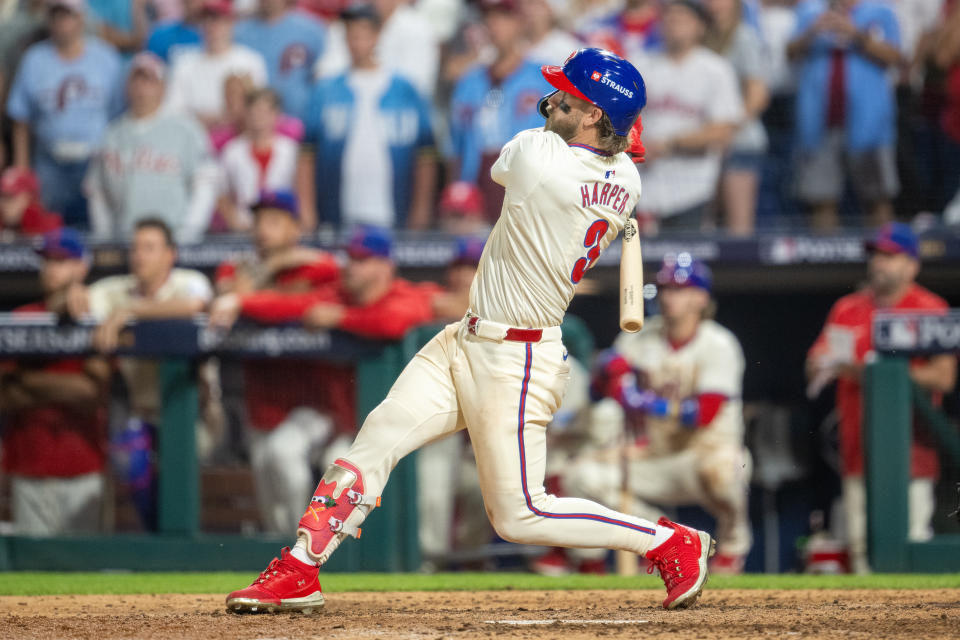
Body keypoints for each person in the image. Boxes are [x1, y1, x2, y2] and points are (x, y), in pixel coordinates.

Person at [222, 48, 714, 615]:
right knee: (377, 438)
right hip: (464, 339)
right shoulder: (626, 180)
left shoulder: (537, 156)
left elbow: (516, 155)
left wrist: (601, 130)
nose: (550, 99)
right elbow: (606, 153)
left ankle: (670, 543)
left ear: (591, 118)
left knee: (520, 515)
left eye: (568, 97)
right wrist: (614, 133)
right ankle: (300, 567)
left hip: (519, 361)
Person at [208, 222, 442, 533]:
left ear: (385, 266)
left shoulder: (404, 294)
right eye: (350, 258)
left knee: (429, 496)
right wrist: (238, 300)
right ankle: (298, 552)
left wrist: (342, 319)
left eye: (362, 259)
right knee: (291, 451)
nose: (351, 266)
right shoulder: (336, 295)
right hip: (343, 419)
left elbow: (396, 321)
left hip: (411, 425)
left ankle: (409, 565)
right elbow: (286, 304)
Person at [562, 255, 752, 574]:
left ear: (701, 298)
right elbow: (597, 394)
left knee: (727, 471)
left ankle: (732, 547)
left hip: (705, 455)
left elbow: (703, 414)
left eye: (679, 288)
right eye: (664, 288)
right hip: (656, 455)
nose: (667, 296)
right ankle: (662, 539)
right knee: (578, 476)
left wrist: (639, 400)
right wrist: (604, 374)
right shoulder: (640, 336)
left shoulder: (719, 344)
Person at [806, 222, 956, 573]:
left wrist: (870, 372)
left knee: (912, 540)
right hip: (858, 450)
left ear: (912, 265)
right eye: (876, 255)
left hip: (912, 450)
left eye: (890, 256)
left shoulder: (930, 308)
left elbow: (944, 377)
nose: (880, 263)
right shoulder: (848, 308)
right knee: (861, 549)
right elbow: (816, 364)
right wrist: (823, 363)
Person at [211, 190, 342, 534]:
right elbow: (227, 289)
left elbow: (315, 293)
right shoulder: (239, 266)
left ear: (294, 229)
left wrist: (252, 296)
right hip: (264, 400)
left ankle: (305, 553)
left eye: (273, 221)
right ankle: (284, 563)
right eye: (258, 221)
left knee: (286, 459)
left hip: (313, 400)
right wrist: (269, 270)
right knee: (269, 499)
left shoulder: (317, 264)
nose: (262, 229)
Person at [0, 229, 110, 535]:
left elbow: (92, 392)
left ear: (81, 267)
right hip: (29, 463)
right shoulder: (24, 317)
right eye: (47, 260)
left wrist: (26, 380)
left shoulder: (94, 317)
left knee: (85, 572)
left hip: (83, 465)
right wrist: (66, 385)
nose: (51, 268)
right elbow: (5, 396)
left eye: (61, 261)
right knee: (33, 572)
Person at [298, 4, 436, 230]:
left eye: (362, 35)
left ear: (377, 36)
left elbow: (425, 155)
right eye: (351, 35)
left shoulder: (405, 90)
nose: (356, 42)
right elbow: (307, 154)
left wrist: (421, 210)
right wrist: (307, 209)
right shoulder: (326, 91)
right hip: (336, 213)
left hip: (395, 212)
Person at [5, 0, 123, 227]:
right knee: (46, 230)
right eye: (56, 15)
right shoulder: (34, 58)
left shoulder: (106, 57)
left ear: (81, 19)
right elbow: (21, 117)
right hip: (50, 162)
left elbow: (118, 114)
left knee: (97, 230)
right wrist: (22, 168)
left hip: (94, 160)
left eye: (67, 15)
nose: (62, 22)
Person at [786, 0, 902, 230]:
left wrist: (855, 34)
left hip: (868, 122)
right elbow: (790, 53)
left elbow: (895, 57)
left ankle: (887, 258)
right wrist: (812, 31)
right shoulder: (810, 10)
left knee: (877, 197)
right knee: (821, 198)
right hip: (818, 120)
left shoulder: (880, 10)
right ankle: (825, 262)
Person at [632, 0, 743, 233]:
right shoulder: (640, 63)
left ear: (700, 26)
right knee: (635, 260)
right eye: (669, 18)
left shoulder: (715, 68)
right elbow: (616, 119)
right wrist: (636, 146)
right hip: (640, 182)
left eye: (682, 18)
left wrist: (668, 144)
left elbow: (724, 129)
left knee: (686, 258)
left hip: (692, 185)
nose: (674, 24)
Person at [86, 52, 219, 242]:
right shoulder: (111, 134)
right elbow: (97, 193)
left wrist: (188, 234)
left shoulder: (186, 129)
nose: (141, 88)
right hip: (126, 242)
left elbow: (206, 184)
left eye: (149, 81)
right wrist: (105, 237)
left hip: (172, 241)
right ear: (127, 86)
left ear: (163, 87)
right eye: (136, 80)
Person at [448, 0, 549, 224]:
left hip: (530, 197)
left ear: (521, 23)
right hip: (475, 197)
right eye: (490, 18)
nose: (495, 25)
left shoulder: (544, 79)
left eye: (504, 17)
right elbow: (455, 150)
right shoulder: (468, 82)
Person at [705, 0, 770, 235]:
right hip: (707, 141)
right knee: (707, 223)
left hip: (741, 140)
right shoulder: (704, 36)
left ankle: (743, 274)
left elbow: (758, 96)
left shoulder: (744, 37)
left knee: (738, 226)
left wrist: (727, 130)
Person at [164, 0, 268, 128]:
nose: (210, 25)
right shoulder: (184, 63)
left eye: (217, 18)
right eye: (205, 19)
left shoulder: (251, 61)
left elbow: (258, 109)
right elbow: (173, 112)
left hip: (237, 138)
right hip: (195, 138)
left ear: (231, 22)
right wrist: (216, 119)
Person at [315, 0, 439, 99]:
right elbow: (325, 76)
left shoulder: (418, 28)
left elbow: (418, 86)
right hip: (345, 107)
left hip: (398, 113)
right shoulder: (345, 23)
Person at [218, 88, 301, 231]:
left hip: (281, 225)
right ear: (247, 115)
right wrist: (234, 221)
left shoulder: (291, 150)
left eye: (264, 112)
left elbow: (299, 192)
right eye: (254, 112)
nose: (258, 118)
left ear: (276, 114)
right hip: (244, 225)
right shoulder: (232, 151)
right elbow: (222, 192)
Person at [234, 0, 326, 121]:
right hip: (255, 122)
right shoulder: (240, 33)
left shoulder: (312, 29)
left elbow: (322, 76)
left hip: (301, 120)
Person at [0, 166, 63, 236]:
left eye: (11, 197)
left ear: (29, 198)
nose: (4, 203)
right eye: (2, 196)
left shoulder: (51, 228)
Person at [523, 0, 582, 65]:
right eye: (525, 4)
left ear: (550, 10)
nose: (528, 10)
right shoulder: (518, 46)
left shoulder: (566, 48)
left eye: (535, 4)